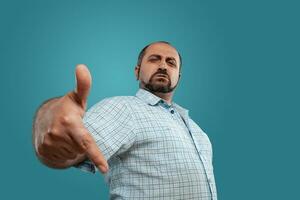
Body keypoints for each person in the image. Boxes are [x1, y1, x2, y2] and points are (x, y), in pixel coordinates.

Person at [32, 41, 217, 199]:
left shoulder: (198, 131)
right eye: (154, 59)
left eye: (171, 62)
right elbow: (75, 143)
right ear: (137, 71)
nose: (163, 66)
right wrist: (52, 126)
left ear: (178, 76)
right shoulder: (124, 108)